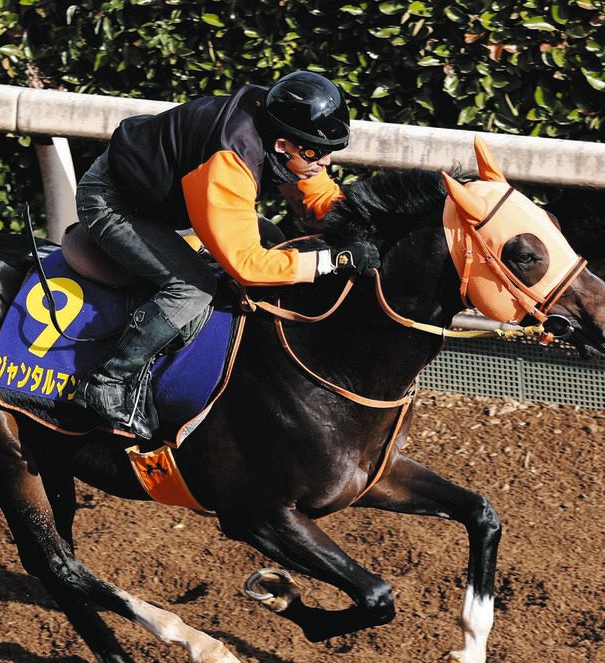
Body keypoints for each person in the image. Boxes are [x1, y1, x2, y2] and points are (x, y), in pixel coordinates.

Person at [73, 70, 379, 439]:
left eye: (328, 151)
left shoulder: (281, 125)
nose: (326, 162)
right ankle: (108, 380)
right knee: (192, 288)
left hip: (170, 195)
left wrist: (363, 224)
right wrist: (337, 260)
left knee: (276, 239)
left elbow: (315, 196)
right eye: (317, 154)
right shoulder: (230, 159)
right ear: (282, 145)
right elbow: (249, 266)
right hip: (113, 202)